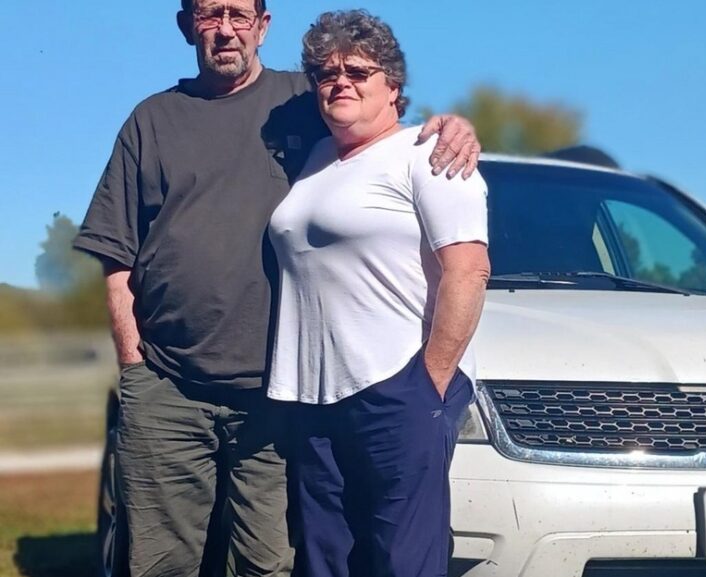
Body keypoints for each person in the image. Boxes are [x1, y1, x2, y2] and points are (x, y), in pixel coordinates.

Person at [73, 0, 481, 575]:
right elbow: (114, 252)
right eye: (210, 15)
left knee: (273, 564)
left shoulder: (304, 102)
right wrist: (133, 364)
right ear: (187, 26)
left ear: (263, 27)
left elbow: (386, 128)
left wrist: (455, 126)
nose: (225, 30)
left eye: (239, 14)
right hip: (169, 385)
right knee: (160, 564)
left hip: (278, 398)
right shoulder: (154, 120)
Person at [265, 10, 489, 577]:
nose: (340, 82)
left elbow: (468, 271)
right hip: (312, 397)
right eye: (327, 73)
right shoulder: (315, 159)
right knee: (325, 559)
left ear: (393, 86)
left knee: (402, 561)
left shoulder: (429, 153)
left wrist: (429, 383)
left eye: (358, 71)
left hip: (395, 386)